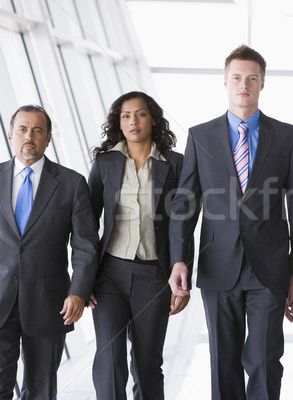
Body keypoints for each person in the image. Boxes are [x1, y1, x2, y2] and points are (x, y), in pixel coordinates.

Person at [168, 44, 293, 400]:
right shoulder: (200, 136)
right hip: (218, 265)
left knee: (265, 358)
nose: (243, 84)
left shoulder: (288, 135)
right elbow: (186, 204)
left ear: (262, 83)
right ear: (225, 82)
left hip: (271, 268)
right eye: (236, 77)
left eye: (251, 78)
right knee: (224, 361)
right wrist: (178, 259)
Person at [0, 105, 99, 399]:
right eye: (22, 129)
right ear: (10, 135)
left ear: (48, 138)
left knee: (41, 391)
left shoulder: (71, 184)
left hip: (49, 305)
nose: (29, 136)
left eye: (37, 130)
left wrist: (78, 291)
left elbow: (85, 245)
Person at [88, 91, 190, 400]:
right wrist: (83, 279)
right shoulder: (105, 163)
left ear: (153, 119)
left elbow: (182, 223)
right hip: (109, 277)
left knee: (147, 366)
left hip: (153, 277)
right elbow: (86, 223)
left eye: (141, 114)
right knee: (110, 362)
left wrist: (181, 279)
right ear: (118, 123)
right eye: (125, 115)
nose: (133, 121)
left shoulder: (174, 164)